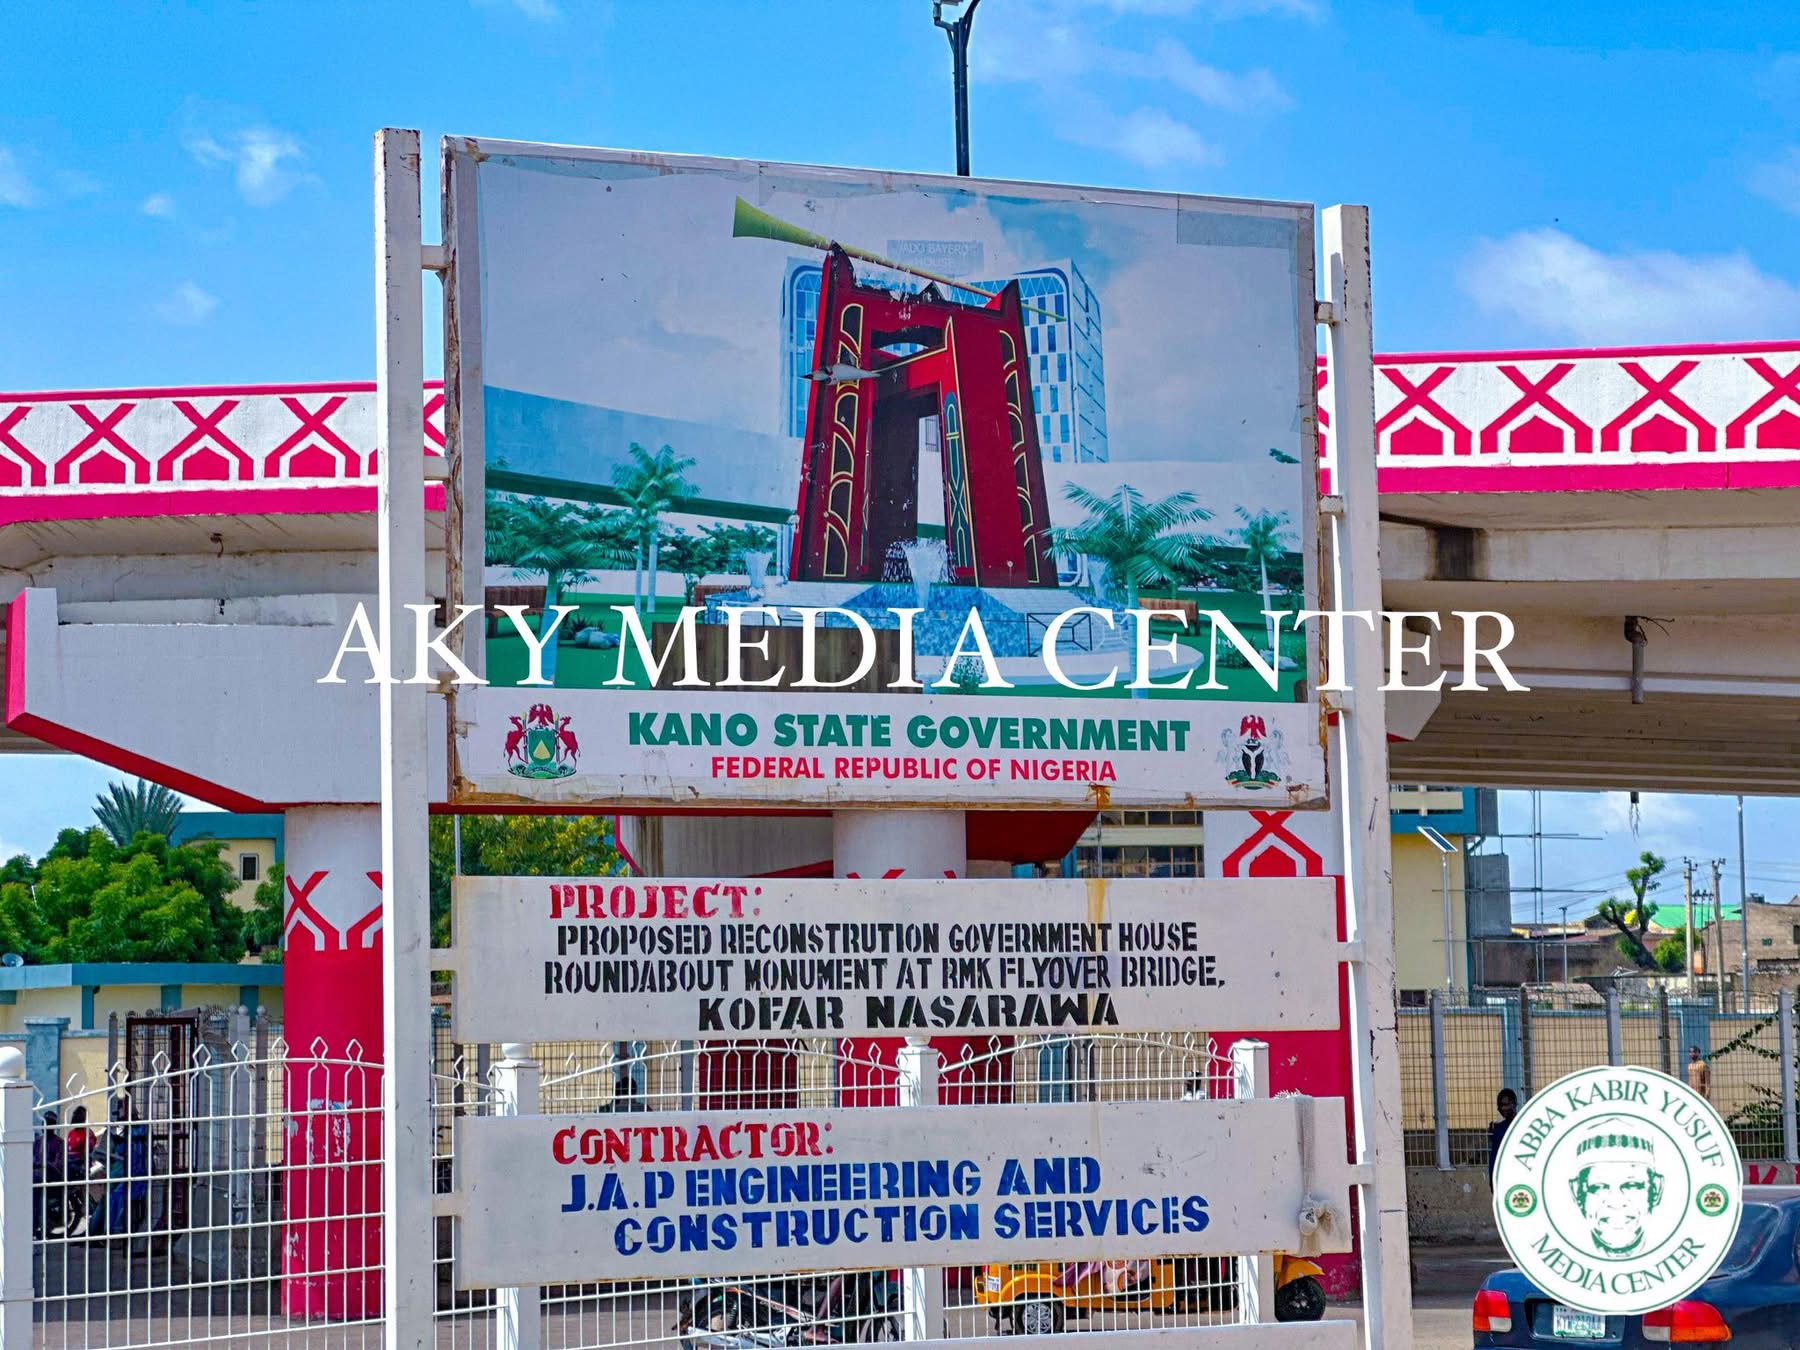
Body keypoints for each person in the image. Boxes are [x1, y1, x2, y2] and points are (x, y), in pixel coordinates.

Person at [1487, 1088, 1518, 1188]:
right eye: (1501, 1105)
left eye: (1507, 1104)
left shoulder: (1522, 1124)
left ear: (1514, 1104)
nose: (1504, 1108)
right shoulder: (1496, 1129)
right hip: (1501, 1176)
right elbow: (1494, 1157)